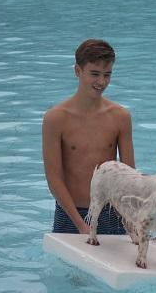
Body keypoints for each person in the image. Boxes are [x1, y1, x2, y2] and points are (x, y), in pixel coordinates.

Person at [42, 39, 135, 235]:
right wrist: (81, 224)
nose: (101, 82)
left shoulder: (120, 117)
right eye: (94, 74)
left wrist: (132, 218)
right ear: (78, 71)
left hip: (112, 213)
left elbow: (129, 175)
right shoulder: (55, 119)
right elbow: (54, 178)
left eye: (107, 75)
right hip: (70, 213)